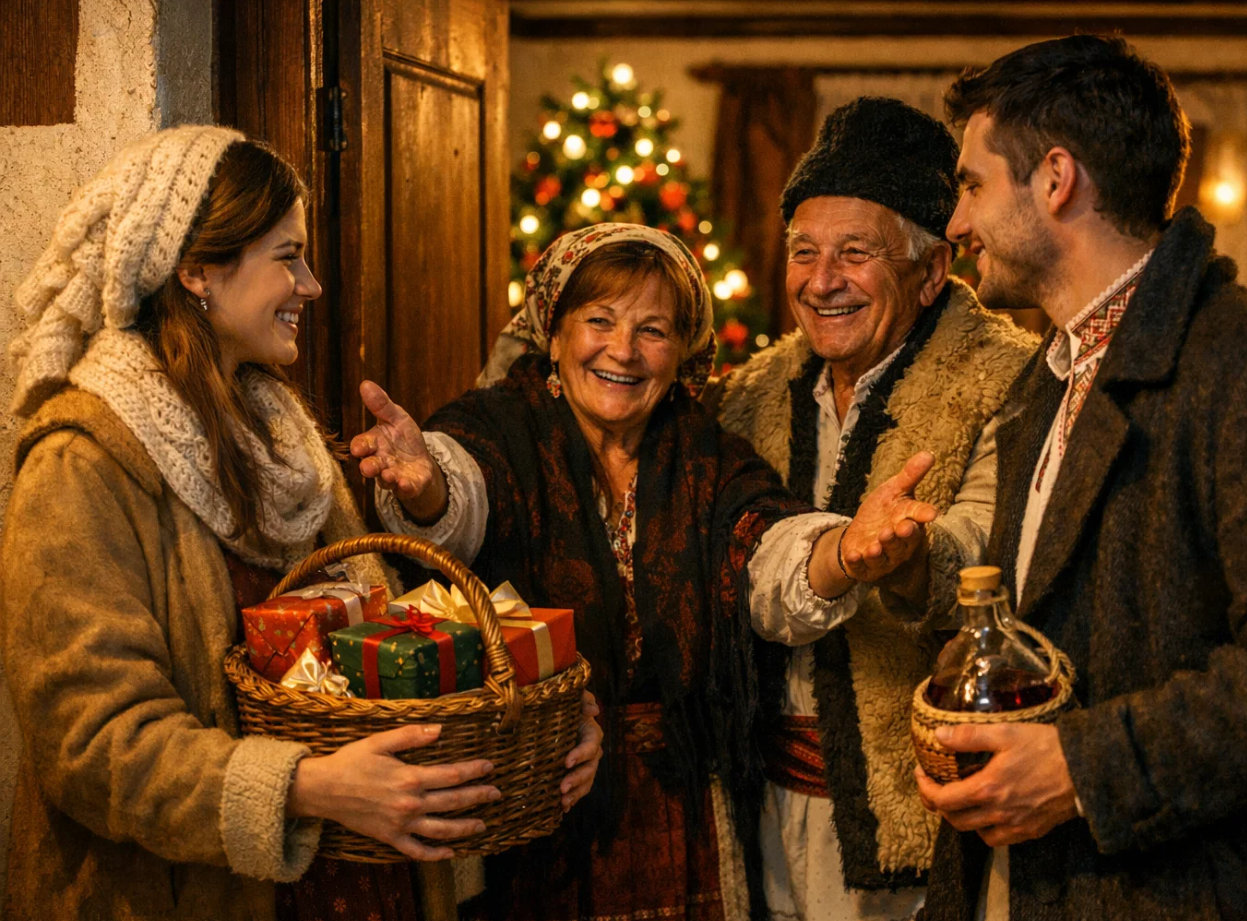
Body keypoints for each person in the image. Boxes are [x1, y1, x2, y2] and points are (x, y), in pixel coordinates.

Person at [1, 126, 602, 921]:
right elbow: (88, 744)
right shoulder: (82, 462)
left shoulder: (283, 442)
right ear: (196, 271)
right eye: (288, 256)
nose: (311, 285)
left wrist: (528, 708)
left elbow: (374, 649)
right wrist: (307, 786)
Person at [915, 34, 1247, 921]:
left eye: (971, 185)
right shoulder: (1044, 379)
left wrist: (1083, 769)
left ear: (1055, 178)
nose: (954, 224)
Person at [350, 222, 941, 921]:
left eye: (652, 330)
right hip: (532, 791)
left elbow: (764, 551)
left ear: (682, 350)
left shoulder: (705, 453)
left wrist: (843, 552)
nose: (623, 350)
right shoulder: (500, 427)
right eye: (599, 321)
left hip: (683, 807)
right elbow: (463, 493)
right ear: (554, 333)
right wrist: (425, 486)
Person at [705, 97, 1038, 921]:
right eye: (803, 251)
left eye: (854, 253)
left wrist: (909, 556)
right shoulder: (749, 393)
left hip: (924, 823)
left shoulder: (1009, 379)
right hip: (760, 813)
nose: (821, 281)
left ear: (930, 272)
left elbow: (983, 546)